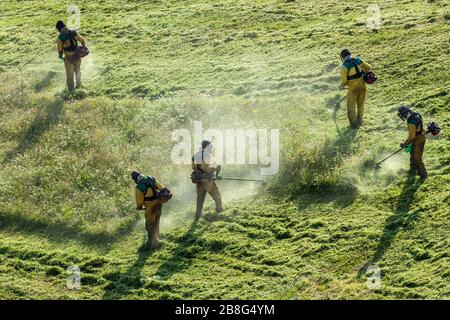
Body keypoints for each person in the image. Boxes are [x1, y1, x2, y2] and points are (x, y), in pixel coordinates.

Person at [131, 171, 172, 249]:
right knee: (157, 221)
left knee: (150, 225)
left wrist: (139, 207)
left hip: (150, 207)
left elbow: (139, 201)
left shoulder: (139, 187)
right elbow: (162, 188)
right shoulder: (151, 178)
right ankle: (158, 237)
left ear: (135, 179)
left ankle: (154, 244)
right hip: (159, 203)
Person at [339, 49, 372, 128]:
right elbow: (368, 67)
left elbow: (344, 81)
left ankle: (354, 124)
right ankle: (360, 121)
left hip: (353, 88)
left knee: (351, 106)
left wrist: (341, 87)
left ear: (343, 57)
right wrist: (363, 72)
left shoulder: (344, 67)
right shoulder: (358, 60)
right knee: (361, 104)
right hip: (363, 85)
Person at [191, 140, 223, 220]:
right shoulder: (206, 155)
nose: (212, 148)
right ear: (206, 147)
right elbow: (205, 168)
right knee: (216, 195)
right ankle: (220, 211)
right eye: (210, 146)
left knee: (200, 198)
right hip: (207, 180)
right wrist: (215, 169)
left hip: (198, 180)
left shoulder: (195, 155)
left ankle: (198, 215)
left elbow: (194, 168)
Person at [397, 106, 427, 179]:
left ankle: (423, 176)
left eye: (402, 114)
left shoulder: (411, 123)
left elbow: (412, 137)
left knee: (417, 159)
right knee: (413, 154)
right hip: (421, 135)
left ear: (406, 113)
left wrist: (404, 144)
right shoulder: (416, 113)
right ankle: (412, 170)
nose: (402, 116)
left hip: (418, 140)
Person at [56, 20, 86, 92]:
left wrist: (62, 58)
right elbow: (82, 40)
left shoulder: (59, 38)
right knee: (78, 72)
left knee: (70, 78)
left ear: (58, 29)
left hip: (69, 59)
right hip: (77, 56)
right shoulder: (73, 32)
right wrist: (84, 47)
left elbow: (60, 52)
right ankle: (80, 89)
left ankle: (71, 94)